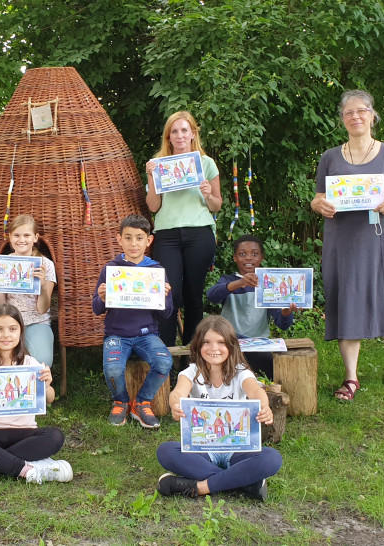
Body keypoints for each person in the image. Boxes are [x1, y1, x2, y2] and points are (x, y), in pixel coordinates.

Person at [310, 90, 384, 401]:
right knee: (346, 300)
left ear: (372, 115)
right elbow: (317, 198)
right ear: (342, 119)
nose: (355, 117)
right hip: (341, 241)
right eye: (349, 113)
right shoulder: (329, 157)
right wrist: (320, 206)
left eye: (362, 111)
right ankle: (351, 377)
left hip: (379, 238)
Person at [156, 315, 282, 501]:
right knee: (165, 452)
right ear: (198, 345)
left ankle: (199, 487)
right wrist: (175, 403)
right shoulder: (191, 371)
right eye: (206, 342)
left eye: (221, 342)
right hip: (202, 448)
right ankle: (244, 484)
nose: (214, 348)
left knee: (272, 458)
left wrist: (264, 406)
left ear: (231, 346)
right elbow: (177, 392)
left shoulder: (241, 372)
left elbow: (256, 391)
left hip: (238, 448)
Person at [0, 303, 73, 485]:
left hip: (24, 434)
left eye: (12, 329)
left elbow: (49, 399)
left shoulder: (31, 364)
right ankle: (26, 468)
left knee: (54, 436)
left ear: (20, 332)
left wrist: (47, 384)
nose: (6, 335)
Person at [145, 111, 222, 348]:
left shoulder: (206, 163)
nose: (179, 135)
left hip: (199, 233)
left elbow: (217, 204)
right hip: (167, 234)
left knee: (193, 297)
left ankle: (192, 355)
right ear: (168, 137)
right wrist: (151, 178)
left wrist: (208, 194)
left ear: (193, 134)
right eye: (174, 131)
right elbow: (153, 206)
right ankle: (165, 352)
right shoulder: (158, 164)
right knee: (169, 294)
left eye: (184, 130)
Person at [92, 214, 174, 429]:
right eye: (128, 238)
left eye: (139, 238)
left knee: (164, 361)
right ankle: (121, 401)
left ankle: (142, 402)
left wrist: (164, 297)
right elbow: (96, 309)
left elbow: (167, 314)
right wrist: (101, 297)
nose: (133, 243)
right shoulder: (111, 269)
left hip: (147, 334)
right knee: (112, 370)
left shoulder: (155, 271)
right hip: (116, 335)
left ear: (149, 241)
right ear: (119, 240)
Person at [206, 234, 296, 379]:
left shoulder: (269, 285)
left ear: (261, 258)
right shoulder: (228, 280)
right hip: (230, 342)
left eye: (254, 254)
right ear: (235, 257)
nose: (248, 258)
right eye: (242, 254)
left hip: (259, 344)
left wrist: (286, 311)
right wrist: (239, 284)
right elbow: (212, 296)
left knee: (271, 367)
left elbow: (283, 325)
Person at [0, 215, 56, 367]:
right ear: (10, 237)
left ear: (35, 238)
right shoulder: (3, 263)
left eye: (26, 235)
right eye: (16, 235)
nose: (21, 240)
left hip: (36, 321)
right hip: (9, 321)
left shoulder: (45, 265)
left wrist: (42, 286)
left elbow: (43, 309)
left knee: (42, 361)